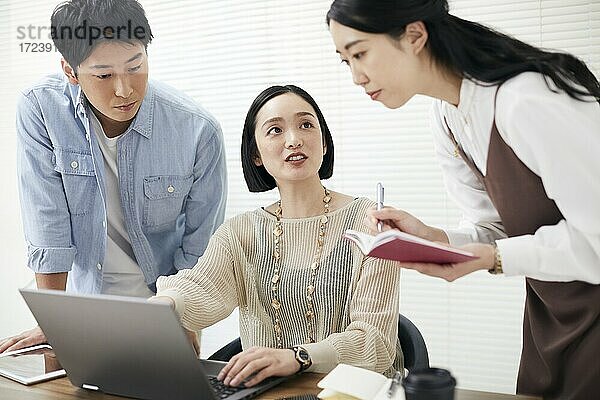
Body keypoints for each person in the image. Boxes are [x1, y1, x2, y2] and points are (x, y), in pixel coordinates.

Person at [326, 1, 600, 398]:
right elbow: (496, 227)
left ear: (415, 35)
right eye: (344, 61)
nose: (355, 76)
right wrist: (436, 239)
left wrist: (493, 259)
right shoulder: (448, 116)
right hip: (553, 314)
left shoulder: (525, 99)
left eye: (360, 53)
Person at [0, 0, 227, 353]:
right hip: (83, 307)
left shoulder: (198, 130)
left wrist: (185, 322)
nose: (125, 90)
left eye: (136, 67)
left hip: (163, 307)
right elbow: (47, 223)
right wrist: (56, 322)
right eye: (104, 75)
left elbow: (201, 246)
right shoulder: (41, 109)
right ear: (70, 71)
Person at [151, 85, 403, 387]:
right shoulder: (241, 231)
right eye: (275, 130)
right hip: (267, 392)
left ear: (323, 143)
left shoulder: (371, 223)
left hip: (352, 392)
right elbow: (202, 287)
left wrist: (297, 358)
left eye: (306, 125)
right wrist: (166, 303)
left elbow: (374, 343)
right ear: (255, 154)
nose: (294, 140)